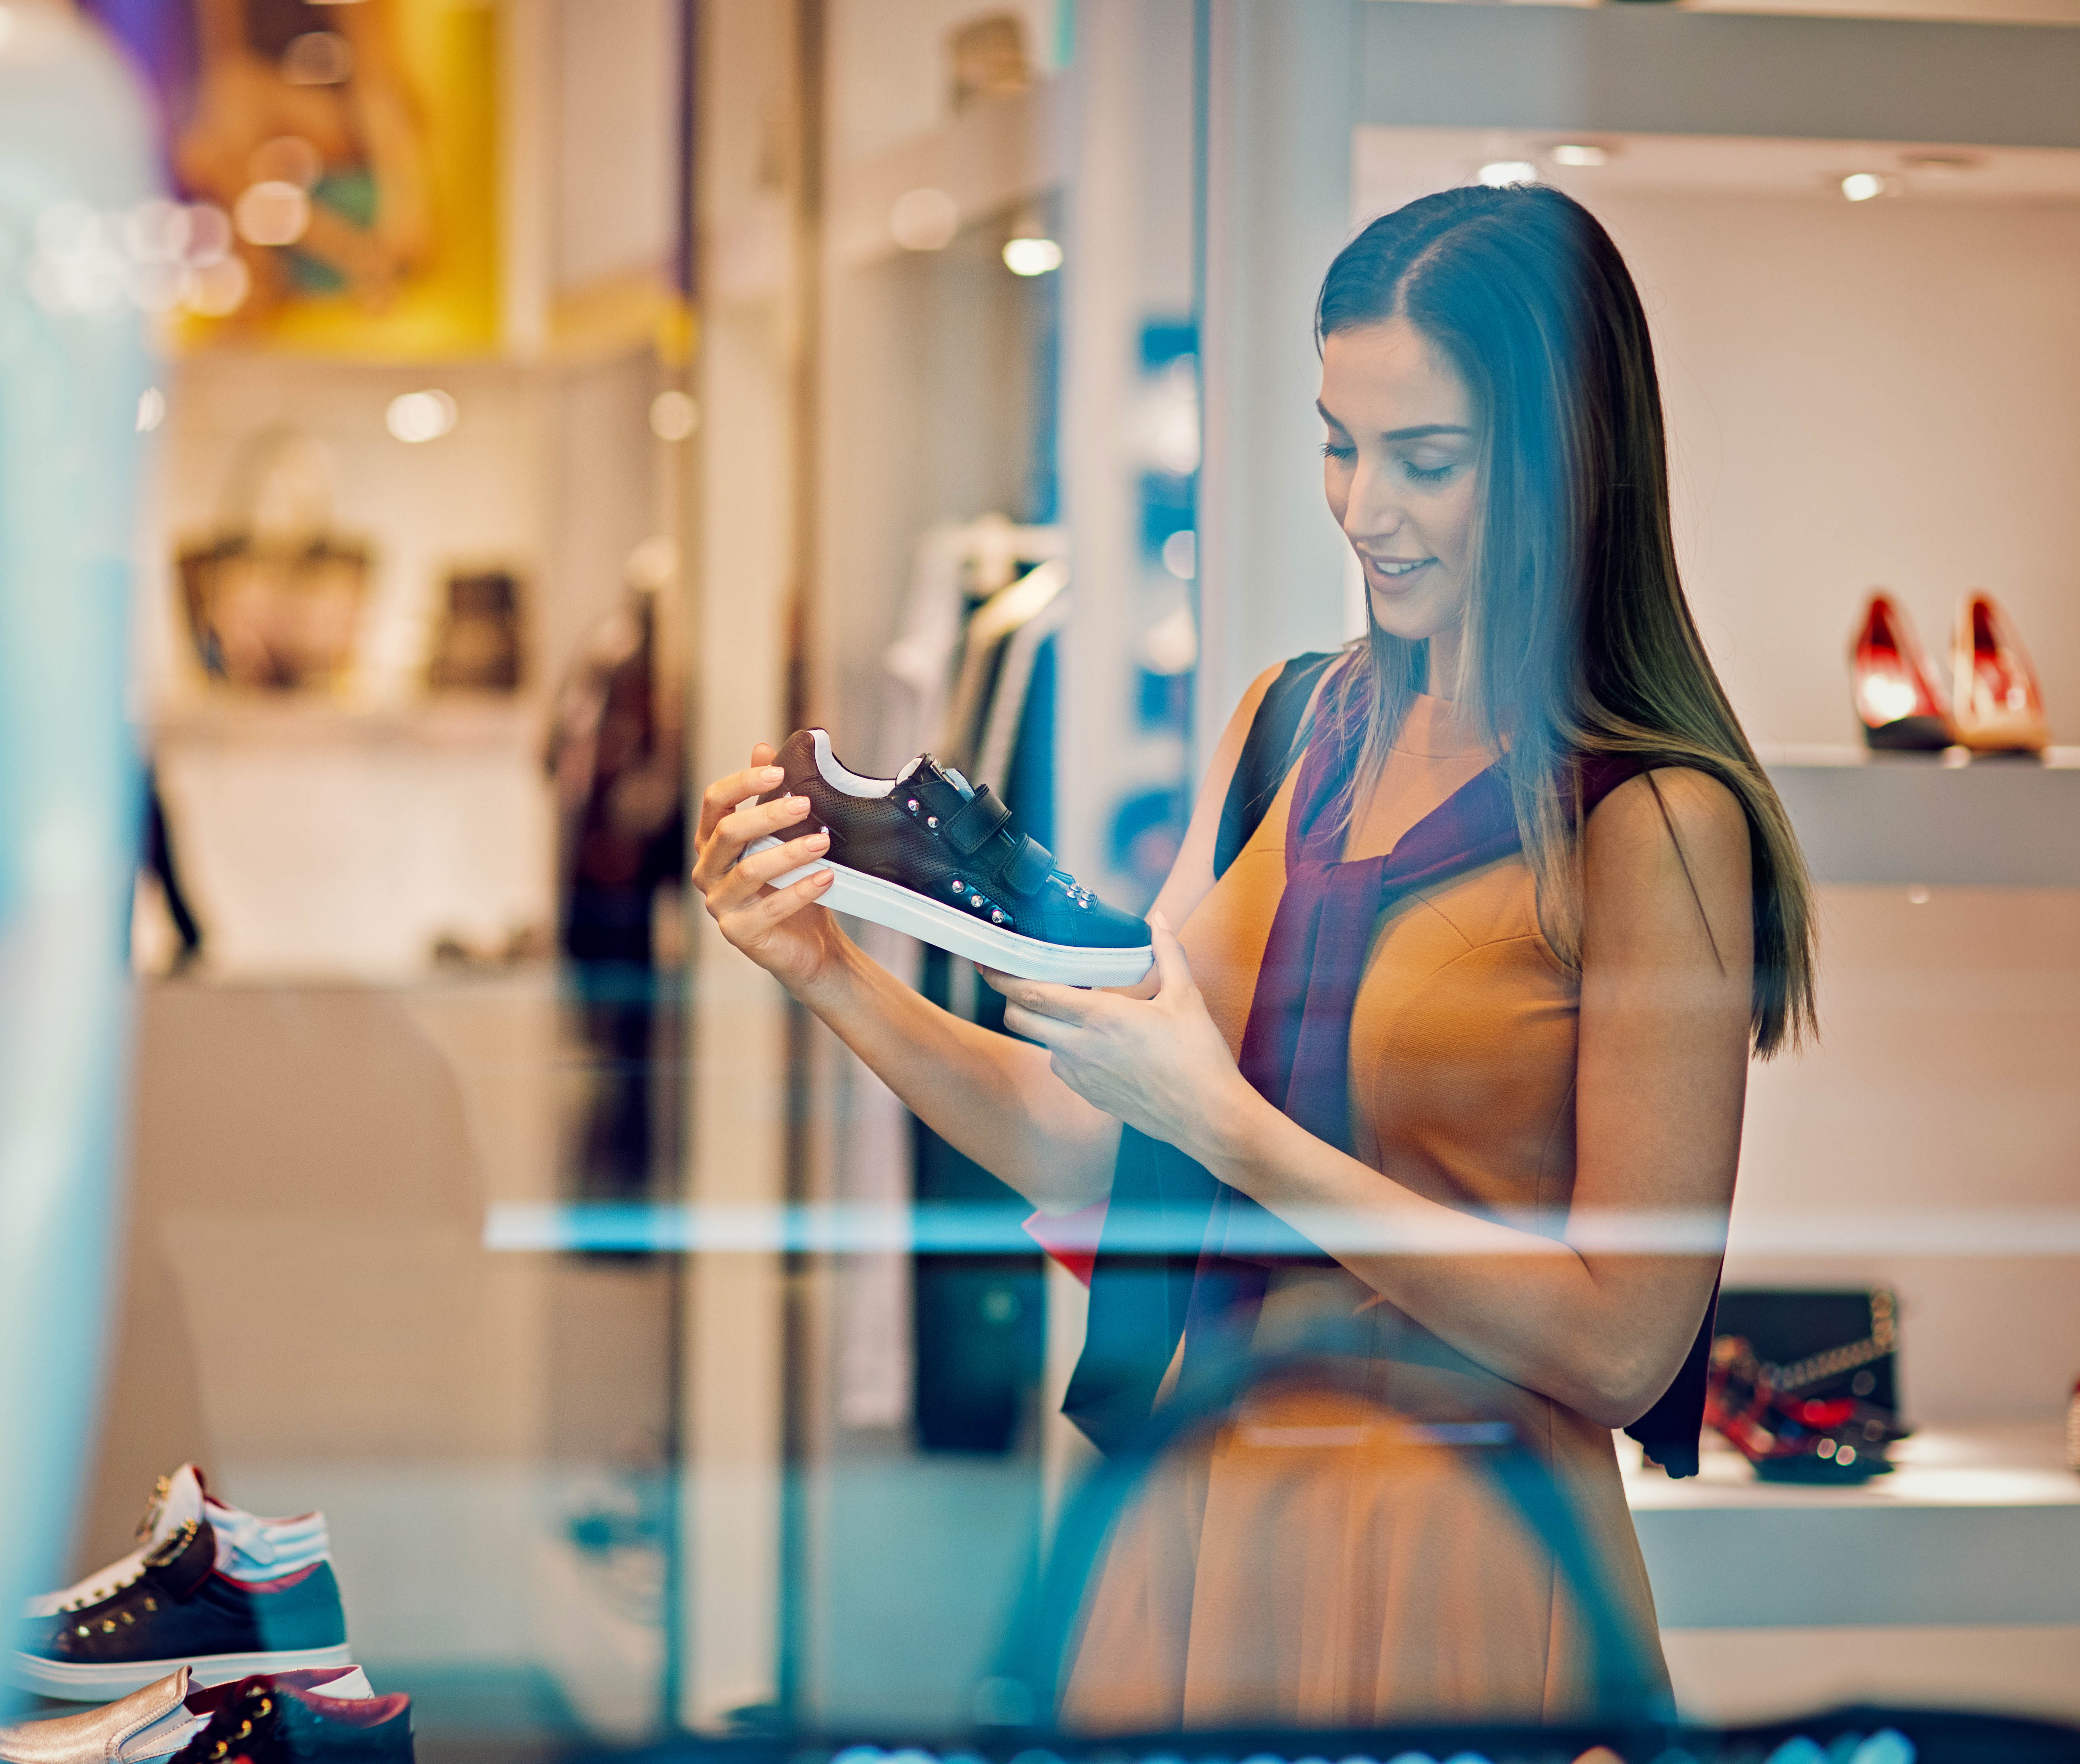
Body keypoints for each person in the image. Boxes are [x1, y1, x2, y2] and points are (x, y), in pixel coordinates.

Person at [687, 183, 1815, 1722]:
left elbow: (1625, 1342)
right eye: (1339, 442)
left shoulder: (1652, 822)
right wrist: (830, 971)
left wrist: (1230, 1126)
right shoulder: (1293, 724)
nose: (1362, 510)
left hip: (1465, 1554)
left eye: (1427, 461)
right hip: (1207, 1517)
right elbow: (1101, 1143)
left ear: (1563, 460)